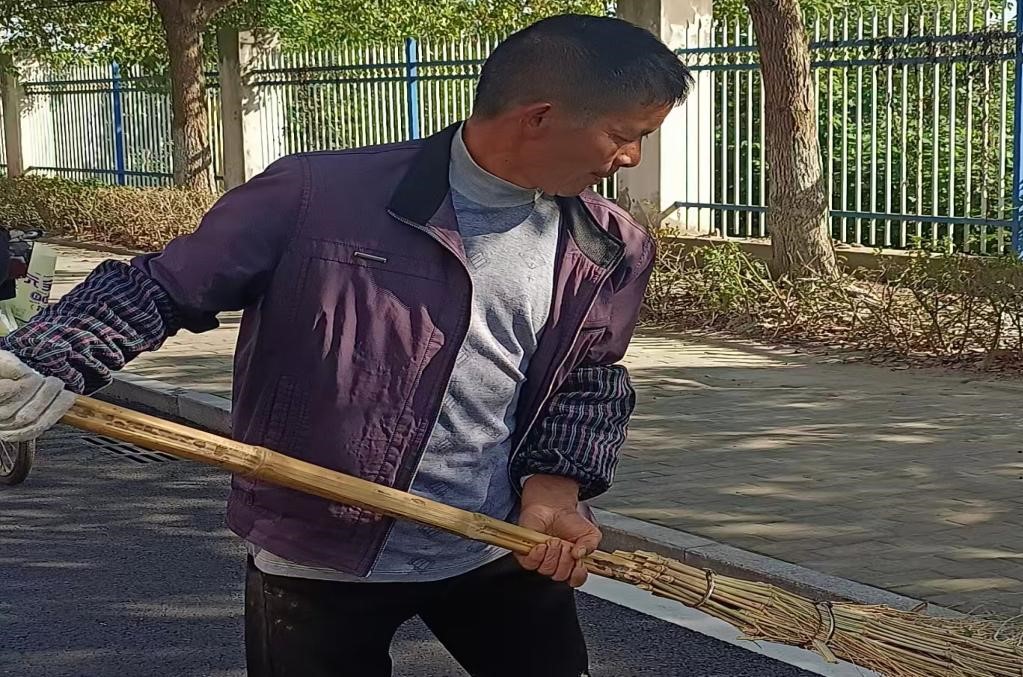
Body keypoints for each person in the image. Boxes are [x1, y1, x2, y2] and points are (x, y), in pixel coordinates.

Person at [0, 14, 691, 677]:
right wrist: (47, 355)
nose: (630, 157)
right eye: (623, 135)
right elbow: (163, 286)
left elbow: (588, 376)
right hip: (319, 544)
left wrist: (554, 494)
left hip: (497, 541)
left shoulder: (607, 244)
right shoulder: (316, 194)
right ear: (538, 117)